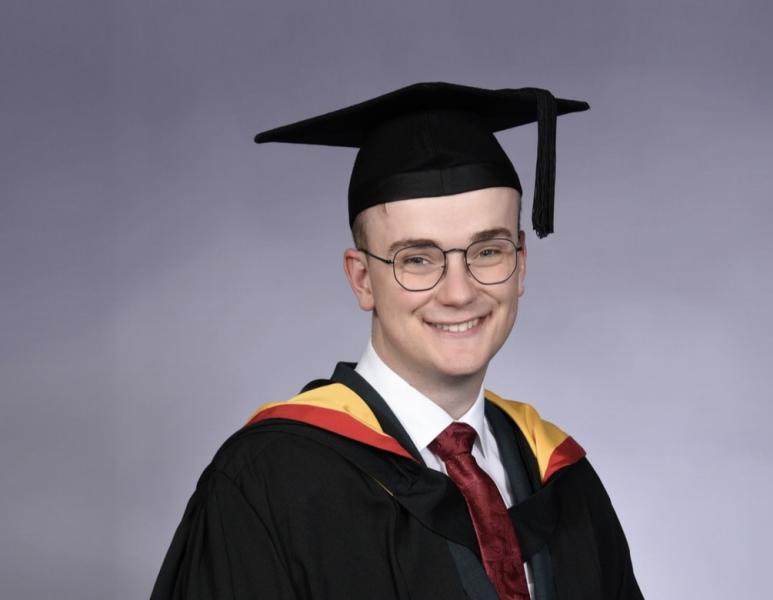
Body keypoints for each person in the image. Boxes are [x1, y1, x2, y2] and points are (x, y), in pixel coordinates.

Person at [151, 82, 643, 600]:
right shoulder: (269, 482)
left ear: (521, 263)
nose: (459, 292)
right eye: (417, 259)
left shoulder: (563, 481)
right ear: (362, 278)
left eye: (488, 251)